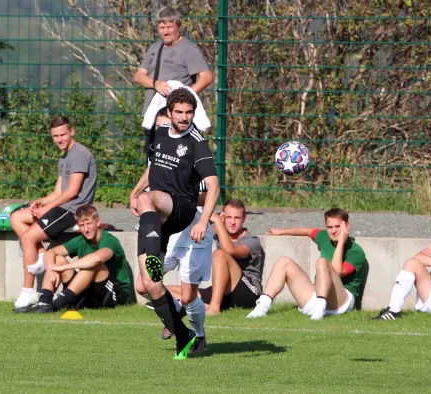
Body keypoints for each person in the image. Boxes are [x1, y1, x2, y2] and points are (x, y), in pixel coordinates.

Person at [129, 88, 219, 360]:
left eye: (189, 112)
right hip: (158, 215)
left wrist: (204, 220)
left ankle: (199, 332)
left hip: (182, 210)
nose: (184, 117)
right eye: (178, 112)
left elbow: (214, 187)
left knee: (190, 294)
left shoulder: (197, 143)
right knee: (146, 284)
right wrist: (134, 192)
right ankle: (183, 335)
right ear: (169, 112)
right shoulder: (160, 134)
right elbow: (152, 168)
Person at [10, 116, 97, 310]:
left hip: (73, 209)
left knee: (27, 238)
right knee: (16, 217)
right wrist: (40, 202)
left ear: (72, 132)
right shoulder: (64, 156)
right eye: (55, 136)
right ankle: (41, 256)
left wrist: (46, 209)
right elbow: (58, 192)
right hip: (62, 206)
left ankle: (28, 290)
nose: (59, 139)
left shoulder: (79, 154)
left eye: (62, 135)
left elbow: (72, 192)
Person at [247, 208, 368, 320]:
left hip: (341, 302)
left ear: (347, 226)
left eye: (337, 227)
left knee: (322, 262)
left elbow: (336, 272)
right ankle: (261, 308)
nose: (334, 231)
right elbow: (308, 231)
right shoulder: (325, 237)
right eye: (330, 227)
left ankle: (319, 310)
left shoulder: (356, 252)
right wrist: (282, 231)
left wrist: (341, 242)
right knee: (284, 261)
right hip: (317, 295)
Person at [14, 205, 131, 313]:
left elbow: (97, 259)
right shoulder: (81, 240)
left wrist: (63, 267)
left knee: (93, 265)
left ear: (98, 222)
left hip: (114, 295)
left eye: (89, 223)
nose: (86, 229)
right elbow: (51, 252)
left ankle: (56, 304)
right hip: (89, 292)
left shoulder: (109, 240)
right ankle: (44, 302)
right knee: (58, 259)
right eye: (82, 225)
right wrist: (51, 268)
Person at [134, 6, 213, 155]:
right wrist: (155, 84)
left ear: (178, 26)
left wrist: (185, 96)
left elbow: (206, 76)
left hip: (176, 117)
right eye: (162, 27)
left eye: (169, 27)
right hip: (154, 115)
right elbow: (139, 76)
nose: (165, 31)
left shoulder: (188, 49)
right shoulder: (154, 48)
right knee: (154, 160)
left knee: (176, 160)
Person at [179, 199, 264, 316]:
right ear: (224, 217)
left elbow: (230, 251)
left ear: (244, 219)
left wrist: (218, 222)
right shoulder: (219, 232)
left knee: (219, 254)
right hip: (225, 291)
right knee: (180, 292)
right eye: (229, 217)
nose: (232, 222)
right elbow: (195, 233)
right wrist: (211, 222)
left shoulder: (252, 241)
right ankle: (178, 305)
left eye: (237, 218)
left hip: (248, 291)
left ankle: (214, 308)